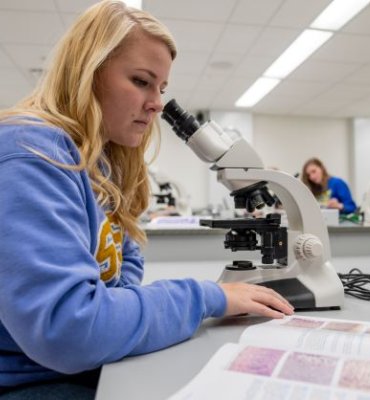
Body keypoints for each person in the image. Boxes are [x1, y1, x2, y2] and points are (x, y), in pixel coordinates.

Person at [0, 2, 294, 399]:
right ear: (88, 71)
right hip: (34, 380)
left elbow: (123, 271)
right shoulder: (32, 152)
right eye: (141, 81)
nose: (157, 103)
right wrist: (209, 296)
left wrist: (118, 313)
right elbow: (68, 332)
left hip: (83, 367)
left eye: (162, 89)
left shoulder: (105, 163)